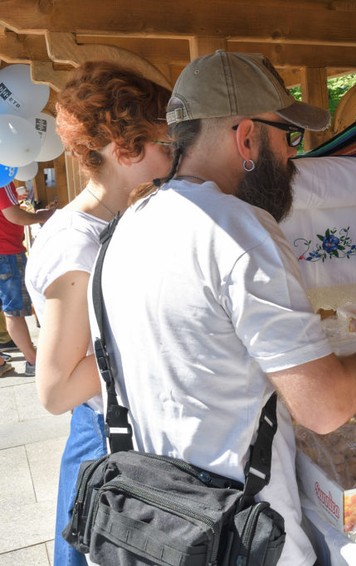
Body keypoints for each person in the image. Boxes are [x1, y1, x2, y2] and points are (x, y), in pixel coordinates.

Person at [95, 50, 356, 566]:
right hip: (240, 535)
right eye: (288, 137)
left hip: (154, 523)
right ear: (246, 137)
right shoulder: (241, 229)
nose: (292, 157)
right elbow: (324, 407)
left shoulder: (124, 228)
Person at [23, 61, 173, 566]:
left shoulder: (114, 219)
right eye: (165, 145)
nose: (173, 159)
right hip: (104, 441)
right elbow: (56, 389)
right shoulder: (76, 245)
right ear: (123, 147)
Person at [0, 181, 54, 376]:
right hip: (6, 252)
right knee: (13, 313)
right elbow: (13, 216)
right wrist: (40, 216)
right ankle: (34, 362)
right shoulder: (2, 175)